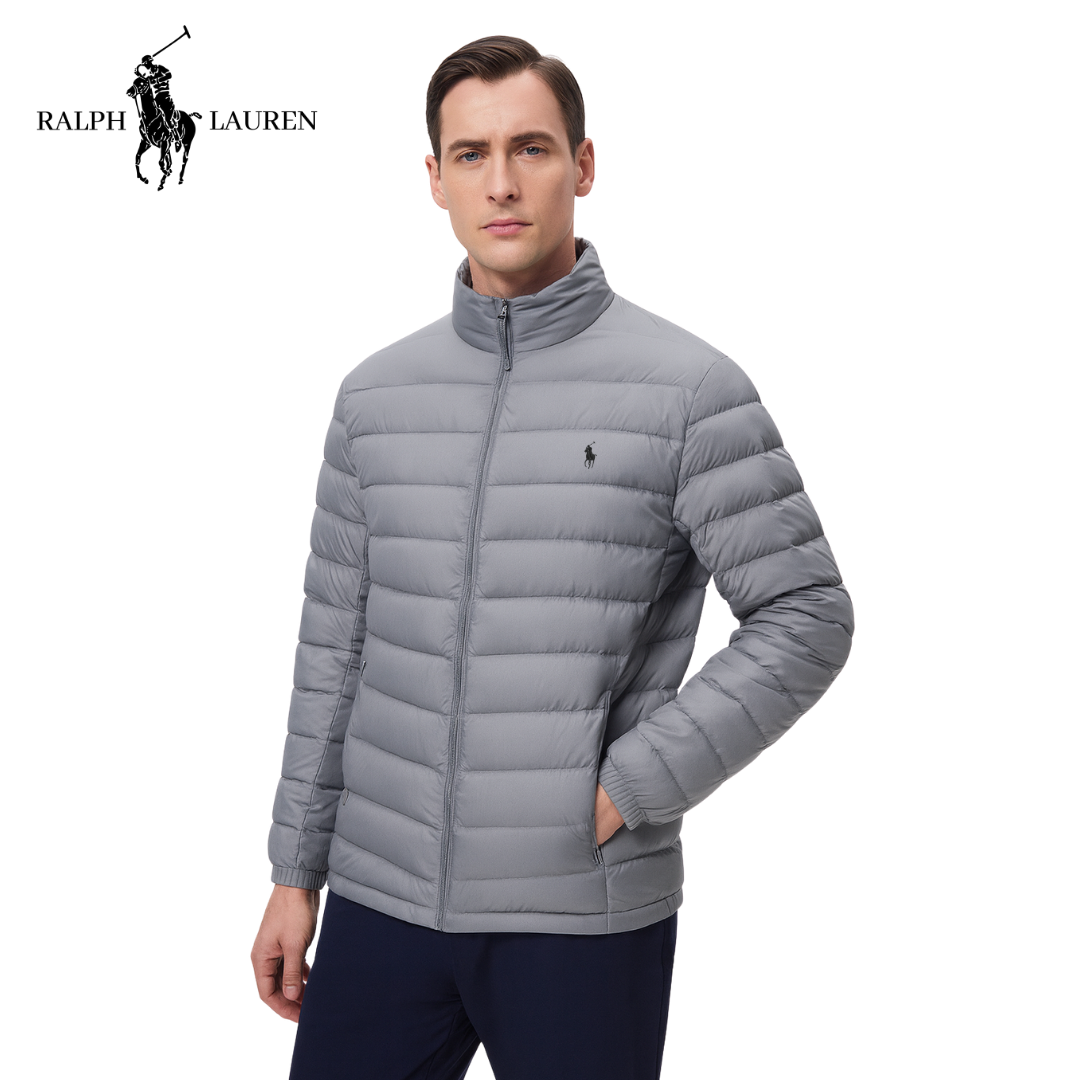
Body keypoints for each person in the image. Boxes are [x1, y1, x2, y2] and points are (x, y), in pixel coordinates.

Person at [251, 34, 854, 1080]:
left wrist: (631, 786)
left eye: (529, 148)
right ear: (434, 178)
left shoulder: (688, 391)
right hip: (381, 903)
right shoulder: (374, 399)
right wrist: (294, 871)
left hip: (581, 914)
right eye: (471, 154)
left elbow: (807, 614)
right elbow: (333, 650)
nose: (501, 182)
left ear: (582, 165)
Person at [141, 54, 182, 150]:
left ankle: (177, 138)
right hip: (156, 98)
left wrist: (157, 80)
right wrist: (138, 73)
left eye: (146, 63)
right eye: (144, 64)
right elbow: (145, 81)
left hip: (165, 96)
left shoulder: (159, 68)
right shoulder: (149, 73)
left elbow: (169, 75)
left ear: (150, 62)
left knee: (168, 119)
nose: (146, 65)